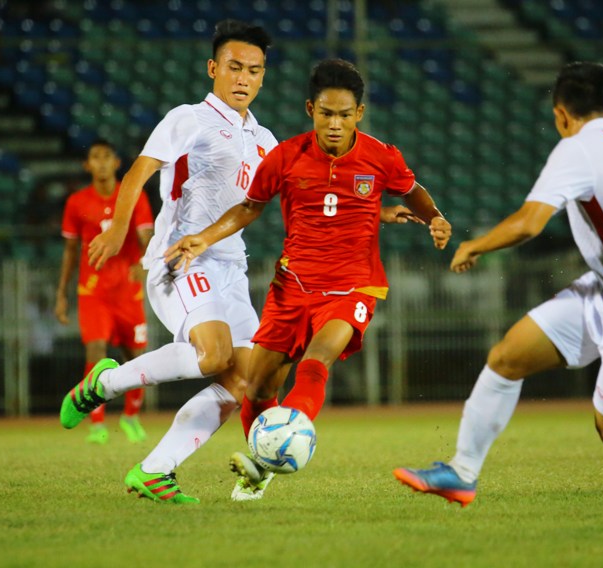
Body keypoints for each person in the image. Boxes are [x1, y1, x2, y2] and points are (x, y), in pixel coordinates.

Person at [393, 62, 603, 520]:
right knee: (507, 358)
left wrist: (475, 245)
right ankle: (462, 472)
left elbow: (529, 222)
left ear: (561, 115)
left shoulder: (576, 149)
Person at [165, 58, 452, 501]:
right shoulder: (285, 157)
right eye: (325, 113)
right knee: (257, 388)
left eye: (343, 114)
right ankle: (260, 471)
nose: (334, 124)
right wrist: (202, 238)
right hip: (292, 286)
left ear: (359, 113)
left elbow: (412, 190)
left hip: (353, 286)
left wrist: (435, 218)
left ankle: (265, 460)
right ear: (309, 109)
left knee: (317, 358)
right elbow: (249, 207)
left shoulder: (381, 156)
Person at [58, 19, 279, 504]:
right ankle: (105, 382)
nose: (243, 78)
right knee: (214, 356)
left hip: (231, 269)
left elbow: (288, 196)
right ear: (212, 69)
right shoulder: (190, 118)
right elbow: (139, 170)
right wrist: (118, 228)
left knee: (243, 381)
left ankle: (155, 471)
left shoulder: (266, 140)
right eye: (234, 67)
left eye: (254, 71)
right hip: (180, 259)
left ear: (264, 77)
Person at [55, 139, 153, 444]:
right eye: (94, 157)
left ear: (116, 163)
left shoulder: (133, 195)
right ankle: (96, 422)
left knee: (135, 357)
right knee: (96, 352)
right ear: (87, 165)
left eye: (105, 156)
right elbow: (71, 251)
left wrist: (146, 263)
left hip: (128, 289)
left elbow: (145, 234)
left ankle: (130, 417)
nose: (100, 162)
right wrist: (62, 294)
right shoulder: (77, 203)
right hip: (93, 291)